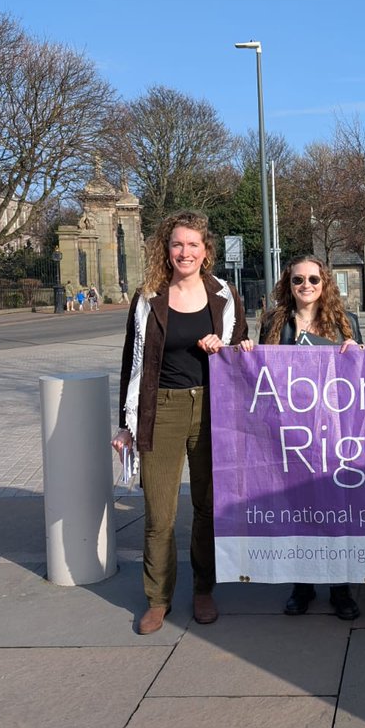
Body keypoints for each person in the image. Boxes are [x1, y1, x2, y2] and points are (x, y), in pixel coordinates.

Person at [111, 211, 252, 636]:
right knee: (159, 513)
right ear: (166, 250)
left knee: (208, 507)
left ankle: (204, 589)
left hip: (214, 408)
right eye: (177, 244)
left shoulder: (226, 296)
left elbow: (242, 352)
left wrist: (226, 346)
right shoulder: (148, 298)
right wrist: (124, 423)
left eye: (193, 244)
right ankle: (158, 598)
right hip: (162, 409)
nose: (184, 252)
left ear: (206, 250)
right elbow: (130, 364)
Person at [261, 256, 363, 621]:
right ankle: (302, 584)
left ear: (325, 283)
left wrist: (357, 353)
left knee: (336, 512)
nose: (306, 285)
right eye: (297, 279)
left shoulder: (343, 323)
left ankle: (340, 588)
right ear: (288, 284)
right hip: (292, 434)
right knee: (300, 512)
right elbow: (261, 374)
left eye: (313, 279)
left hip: (334, 433)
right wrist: (245, 355)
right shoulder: (275, 323)